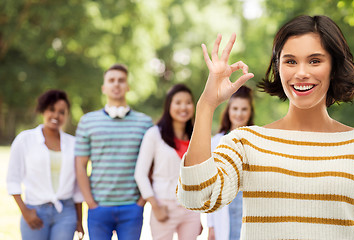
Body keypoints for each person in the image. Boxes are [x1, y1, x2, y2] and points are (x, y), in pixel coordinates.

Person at [176, 15, 354, 239]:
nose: (301, 72)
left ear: (334, 67)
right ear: (278, 68)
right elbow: (197, 197)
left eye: (315, 61)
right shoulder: (245, 142)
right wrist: (206, 105)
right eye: (290, 61)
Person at [75, 63, 153, 240]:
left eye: (121, 80)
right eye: (111, 80)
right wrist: (91, 203)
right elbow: (80, 165)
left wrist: (141, 202)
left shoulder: (145, 123)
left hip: (132, 207)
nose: (116, 84)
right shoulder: (87, 122)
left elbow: (151, 165)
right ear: (104, 87)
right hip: (99, 208)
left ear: (128, 86)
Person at [6, 89, 84, 240]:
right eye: (51, 109)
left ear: (66, 115)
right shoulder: (25, 140)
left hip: (66, 213)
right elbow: (13, 179)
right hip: (35, 210)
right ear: (43, 110)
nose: (56, 115)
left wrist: (79, 221)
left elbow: (77, 187)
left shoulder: (74, 144)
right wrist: (25, 211)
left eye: (61, 112)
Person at [134, 84, 201, 240]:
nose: (183, 107)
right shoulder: (154, 135)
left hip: (191, 207)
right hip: (164, 205)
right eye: (178, 102)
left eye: (188, 102)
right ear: (169, 105)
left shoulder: (196, 136)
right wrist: (155, 206)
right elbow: (140, 174)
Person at [207, 85, 255, 240]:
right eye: (235, 108)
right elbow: (211, 185)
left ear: (250, 111)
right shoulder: (216, 142)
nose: (239, 114)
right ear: (228, 111)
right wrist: (211, 226)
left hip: (250, 206)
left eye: (244, 109)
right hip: (224, 207)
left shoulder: (257, 140)